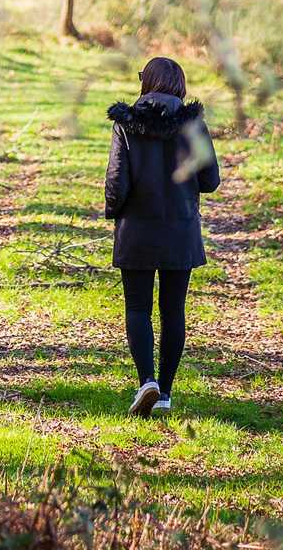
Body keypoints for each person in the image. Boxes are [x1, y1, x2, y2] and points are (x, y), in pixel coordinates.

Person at [103, 55, 220, 418]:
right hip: (180, 230)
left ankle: (146, 382)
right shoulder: (193, 124)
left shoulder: (126, 124)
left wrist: (114, 211)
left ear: (146, 83)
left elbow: (116, 181)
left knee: (138, 308)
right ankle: (165, 392)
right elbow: (210, 181)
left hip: (137, 230)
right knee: (173, 311)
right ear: (180, 87)